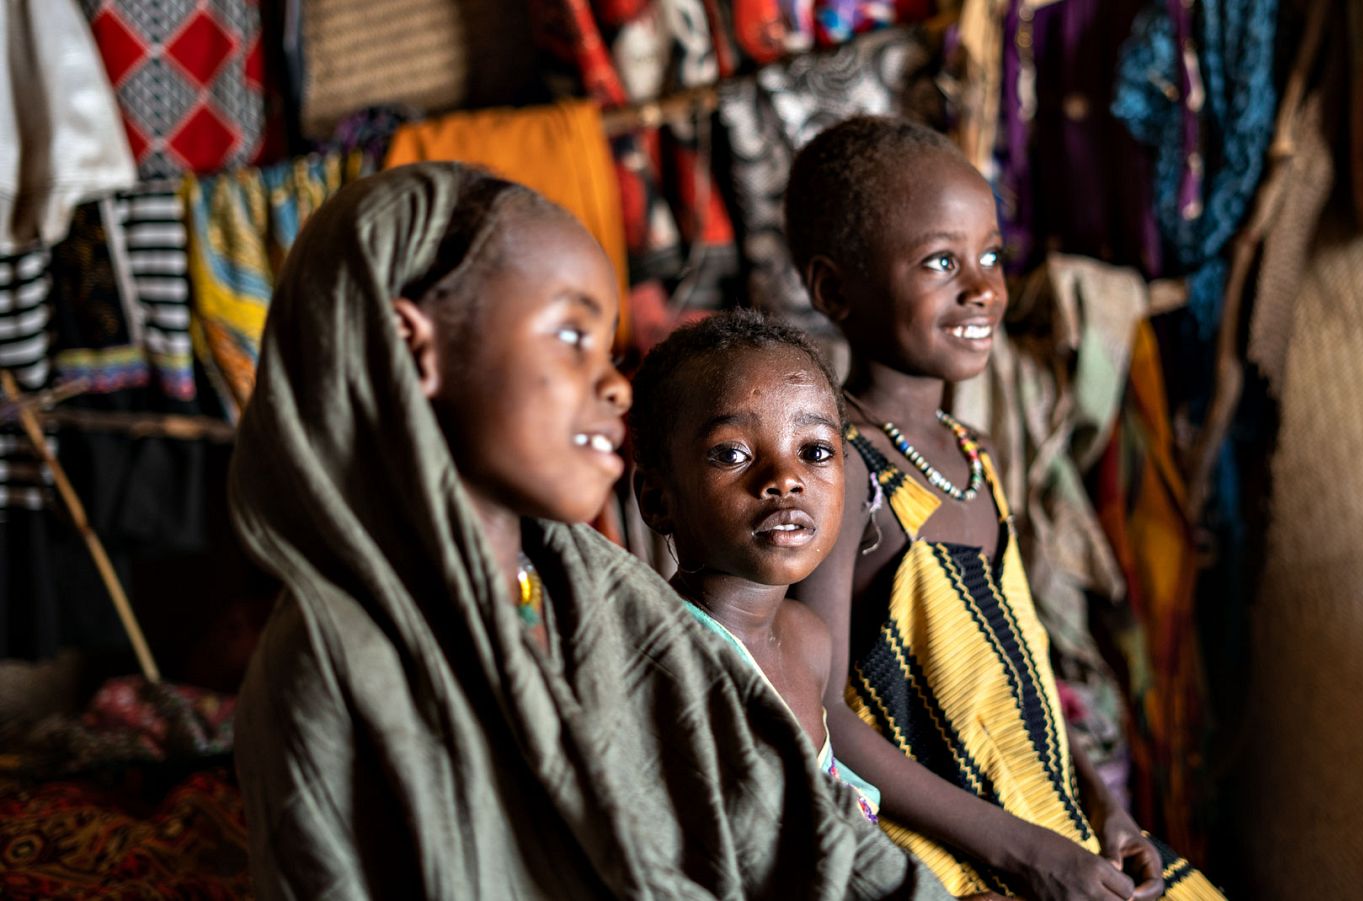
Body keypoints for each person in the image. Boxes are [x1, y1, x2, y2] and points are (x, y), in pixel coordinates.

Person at [228, 162, 948, 899]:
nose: (614, 385)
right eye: (571, 335)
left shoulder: (597, 594)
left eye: (608, 349)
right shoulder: (330, 663)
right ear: (415, 346)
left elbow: (785, 817)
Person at [788, 117, 1224, 901]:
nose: (984, 288)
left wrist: (1105, 806)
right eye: (940, 262)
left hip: (1051, 829)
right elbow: (819, 716)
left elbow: (1015, 680)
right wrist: (1025, 852)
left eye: (991, 255)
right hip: (951, 862)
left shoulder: (973, 454)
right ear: (833, 289)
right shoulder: (846, 470)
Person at [629, 309, 881, 823]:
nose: (785, 478)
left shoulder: (809, 637)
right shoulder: (673, 663)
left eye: (814, 450)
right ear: (657, 500)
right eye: (733, 454)